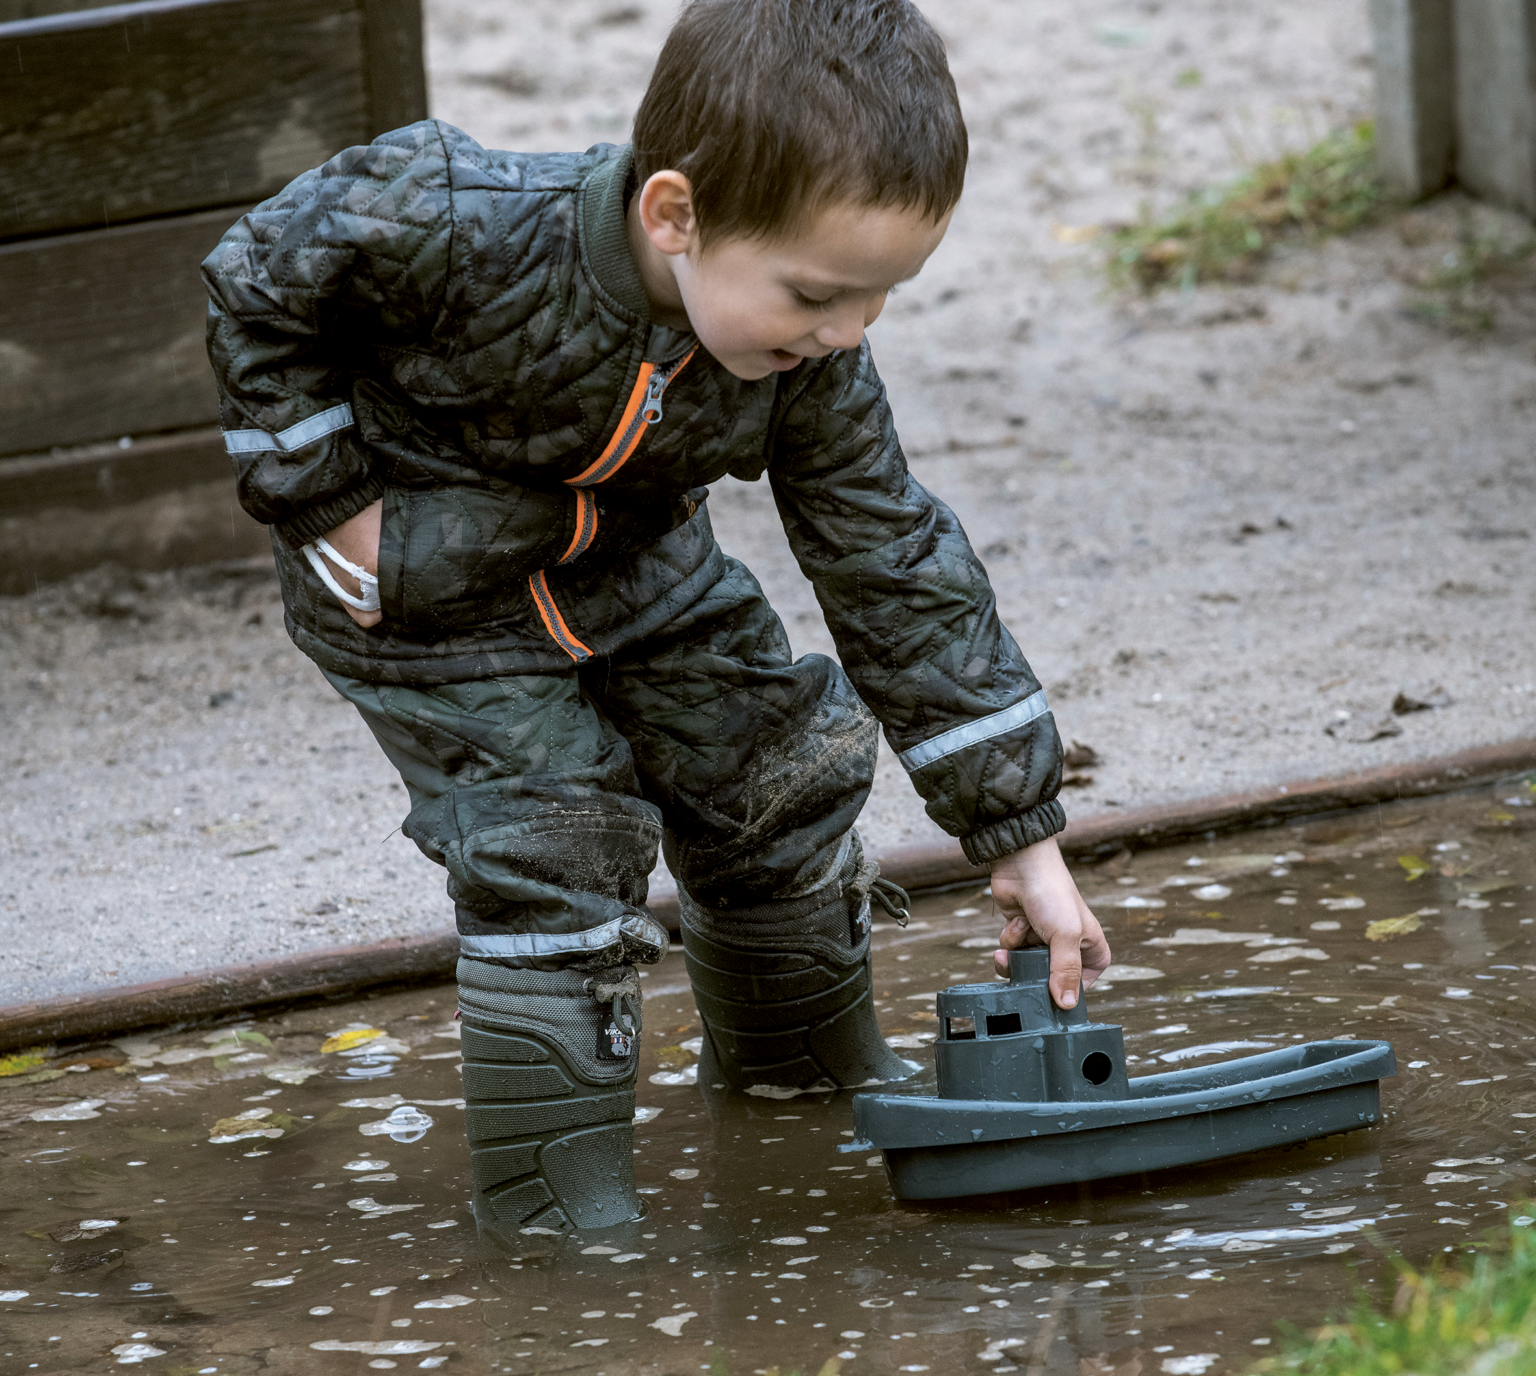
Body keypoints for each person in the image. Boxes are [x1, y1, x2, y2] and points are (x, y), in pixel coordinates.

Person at [202, 0, 1110, 1240]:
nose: (846, 333)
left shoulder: (811, 361)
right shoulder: (460, 218)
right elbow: (259, 278)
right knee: (552, 833)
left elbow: (889, 557)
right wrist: (330, 503)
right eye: (816, 294)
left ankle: (799, 1093)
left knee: (773, 765)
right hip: (427, 594)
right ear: (676, 216)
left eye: (880, 299)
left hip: (639, 568)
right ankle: (559, 1215)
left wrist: (1020, 835)